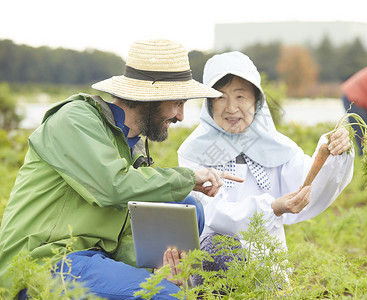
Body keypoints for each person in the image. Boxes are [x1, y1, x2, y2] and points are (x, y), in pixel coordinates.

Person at [0, 39, 243, 299]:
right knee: (167, 297)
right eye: (178, 103)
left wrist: (158, 272)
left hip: (93, 261)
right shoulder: (74, 120)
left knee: (185, 207)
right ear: (150, 98)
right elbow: (111, 186)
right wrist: (189, 176)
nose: (181, 116)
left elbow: (124, 237)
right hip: (45, 263)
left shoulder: (132, 149)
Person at [177, 51, 354, 279]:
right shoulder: (195, 150)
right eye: (220, 97)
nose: (231, 108)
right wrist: (270, 208)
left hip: (268, 259)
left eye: (240, 97)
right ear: (208, 104)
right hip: (214, 257)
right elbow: (210, 213)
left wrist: (335, 153)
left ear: (257, 101)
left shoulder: (276, 145)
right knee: (221, 253)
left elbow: (311, 189)